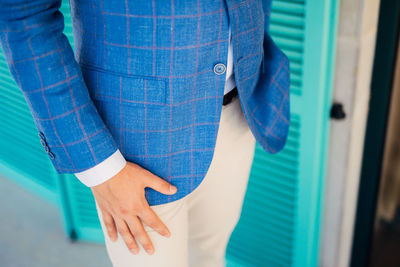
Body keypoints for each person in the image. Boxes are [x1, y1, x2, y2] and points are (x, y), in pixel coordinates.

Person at [0, 0, 290, 266]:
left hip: (240, 110)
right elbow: (24, 19)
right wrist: (101, 169)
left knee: (209, 256)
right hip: (136, 143)